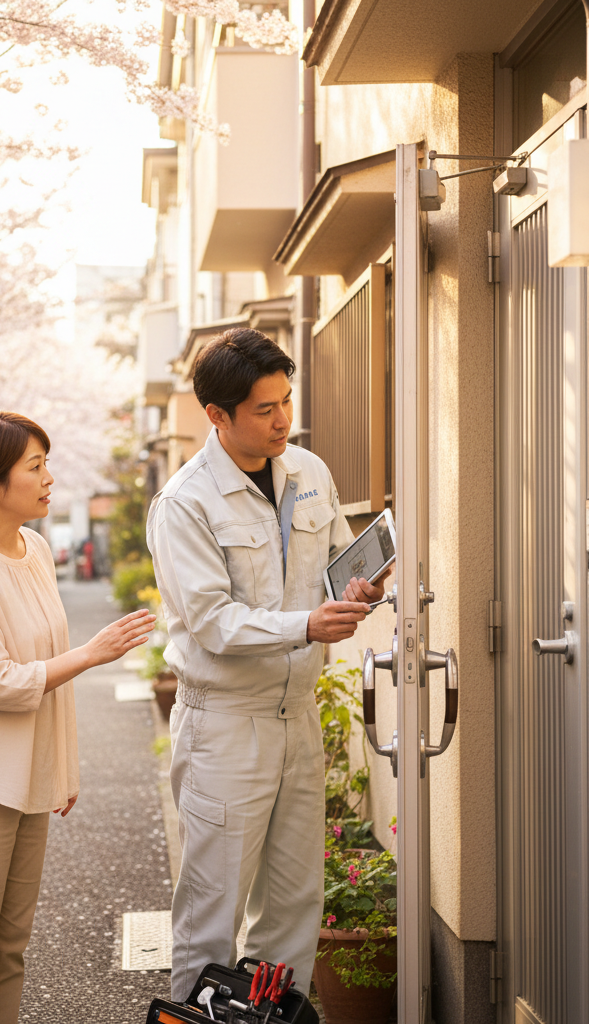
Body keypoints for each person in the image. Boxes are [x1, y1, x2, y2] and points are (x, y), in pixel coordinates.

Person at [147, 328, 389, 999]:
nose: (283, 419)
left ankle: (271, 1017)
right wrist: (307, 624)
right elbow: (212, 622)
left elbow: (335, 562)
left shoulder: (309, 472)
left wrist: (359, 588)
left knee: (293, 907)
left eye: (286, 401)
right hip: (226, 724)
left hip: (297, 716)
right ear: (217, 415)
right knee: (212, 914)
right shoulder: (185, 502)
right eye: (264, 408)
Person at [0, 410, 155, 1024]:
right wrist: (93, 653)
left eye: (47, 464)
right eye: (35, 467)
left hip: (21, 781)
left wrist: (58, 770)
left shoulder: (36, 549)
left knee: (8, 954)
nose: (49, 479)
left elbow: (47, 671)